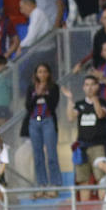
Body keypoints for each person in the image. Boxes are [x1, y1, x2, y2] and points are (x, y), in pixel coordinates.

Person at [19, 62, 61, 196]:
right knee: (37, 155)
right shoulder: (31, 88)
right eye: (39, 72)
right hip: (33, 122)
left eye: (44, 71)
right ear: (36, 74)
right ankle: (41, 184)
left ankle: (55, 184)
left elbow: (53, 105)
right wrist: (37, 94)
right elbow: (28, 106)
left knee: (51, 154)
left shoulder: (54, 87)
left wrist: (45, 93)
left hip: (47, 121)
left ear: (48, 74)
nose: (42, 74)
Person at [71, 76, 106, 198]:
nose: (89, 88)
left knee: (101, 179)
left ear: (97, 86)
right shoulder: (79, 104)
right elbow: (70, 117)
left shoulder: (103, 102)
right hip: (81, 146)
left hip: (98, 146)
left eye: (92, 85)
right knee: (83, 181)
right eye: (87, 85)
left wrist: (94, 99)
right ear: (83, 87)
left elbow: (100, 115)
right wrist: (69, 100)